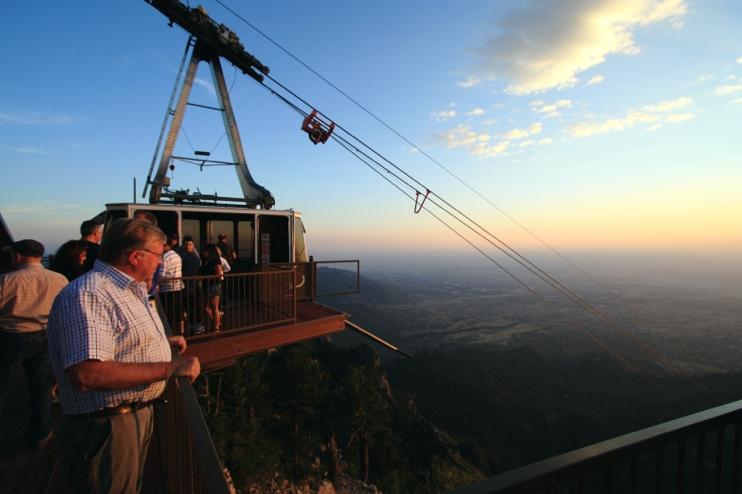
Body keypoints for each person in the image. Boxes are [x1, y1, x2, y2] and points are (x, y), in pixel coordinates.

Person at [47, 218, 200, 493]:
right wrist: (169, 368)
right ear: (135, 256)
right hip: (106, 428)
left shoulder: (125, 289)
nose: (161, 262)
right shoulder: (90, 295)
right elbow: (87, 373)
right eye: (158, 254)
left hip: (122, 421)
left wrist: (160, 341)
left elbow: (117, 338)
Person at [0, 239, 68, 448]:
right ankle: (41, 433)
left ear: (17, 255)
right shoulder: (59, 280)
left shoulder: (7, 280)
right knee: (42, 386)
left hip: (11, 336)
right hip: (46, 335)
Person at [158, 236, 184, 334]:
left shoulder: (164, 257)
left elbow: (161, 274)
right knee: (178, 310)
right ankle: (181, 331)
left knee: (167, 312)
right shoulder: (177, 256)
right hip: (178, 287)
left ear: (165, 245)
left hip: (167, 288)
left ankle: (169, 332)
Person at [199, 244, 224, 332]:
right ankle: (211, 324)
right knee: (206, 308)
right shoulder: (205, 260)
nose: (203, 252)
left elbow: (219, 274)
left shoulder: (216, 260)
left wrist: (206, 277)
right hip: (206, 285)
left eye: (205, 251)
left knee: (214, 307)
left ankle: (216, 327)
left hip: (214, 285)